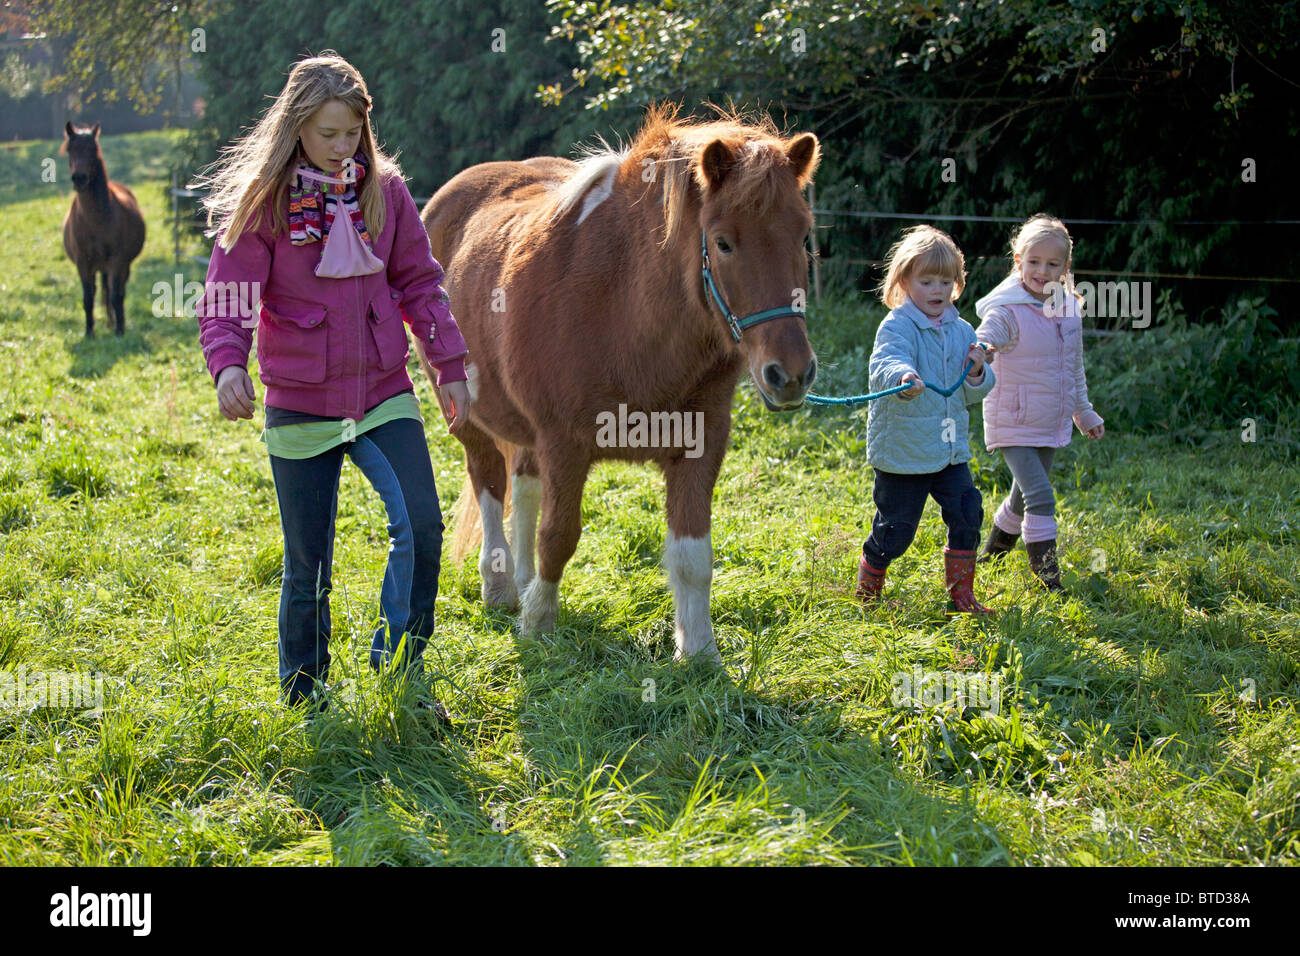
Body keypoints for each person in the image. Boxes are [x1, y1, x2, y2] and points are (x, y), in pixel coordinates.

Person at [195, 52, 471, 712]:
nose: (342, 146)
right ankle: (306, 695)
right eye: (328, 134)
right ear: (297, 129)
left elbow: (419, 284)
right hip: (299, 402)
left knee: (424, 527)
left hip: (381, 394)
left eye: (352, 133)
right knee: (308, 566)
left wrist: (449, 365)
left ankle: (400, 670)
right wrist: (228, 363)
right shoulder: (265, 205)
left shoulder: (388, 193)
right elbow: (228, 295)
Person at [857, 225, 995, 613]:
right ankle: (870, 582)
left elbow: (968, 394)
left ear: (957, 283)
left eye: (946, 281)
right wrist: (902, 378)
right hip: (904, 452)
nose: (938, 290)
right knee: (896, 531)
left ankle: (961, 594)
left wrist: (976, 371)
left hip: (950, 450)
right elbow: (887, 360)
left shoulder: (962, 330)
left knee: (968, 511)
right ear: (904, 281)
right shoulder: (898, 326)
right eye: (927, 281)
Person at [973, 213, 1104, 591]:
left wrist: (1083, 410)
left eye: (1052, 264)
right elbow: (991, 331)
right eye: (1033, 262)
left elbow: (1072, 368)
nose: (1042, 271)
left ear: (1065, 268)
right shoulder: (1008, 308)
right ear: (1018, 262)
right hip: (1013, 419)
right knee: (1041, 495)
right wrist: (982, 348)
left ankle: (993, 554)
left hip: (1051, 419)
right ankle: (1049, 580)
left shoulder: (1068, 310)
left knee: (1021, 495)